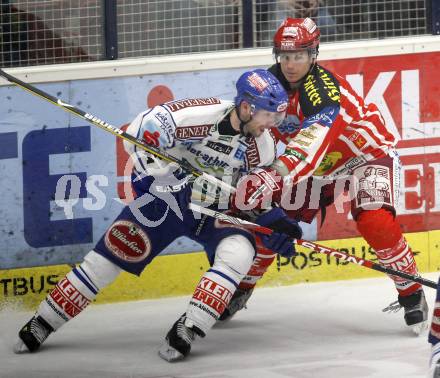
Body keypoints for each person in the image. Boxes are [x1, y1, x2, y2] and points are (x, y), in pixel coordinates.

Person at [13, 69, 304, 361]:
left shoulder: (262, 146)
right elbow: (139, 133)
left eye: (276, 118)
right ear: (246, 107)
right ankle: (44, 321)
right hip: (164, 202)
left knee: (240, 251)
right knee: (108, 258)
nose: (271, 125)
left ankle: (189, 327)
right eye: (268, 116)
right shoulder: (196, 116)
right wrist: (161, 175)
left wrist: (271, 221)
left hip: (213, 211)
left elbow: (248, 195)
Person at [225, 17, 429, 332]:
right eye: (286, 56)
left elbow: (310, 148)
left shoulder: (323, 91)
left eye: (300, 56)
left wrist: (274, 175)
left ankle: (410, 290)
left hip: (364, 155)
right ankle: (243, 286)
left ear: (314, 55)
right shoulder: (266, 85)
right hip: (320, 166)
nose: (291, 64)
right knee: (270, 216)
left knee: (375, 220)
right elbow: (246, 125)